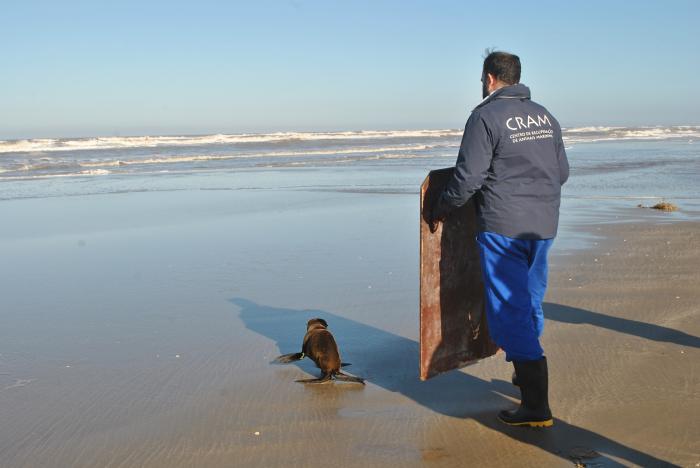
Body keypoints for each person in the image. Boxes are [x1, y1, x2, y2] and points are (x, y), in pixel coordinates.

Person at [428, 50, 569, 427]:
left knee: (509, 309)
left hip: (504, 227)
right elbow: (562, 172)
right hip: (543, 226)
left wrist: (441, 205)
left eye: (481, 79)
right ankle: (525, 377)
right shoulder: (545, 116)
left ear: (489, 79)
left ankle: (536, 406)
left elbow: (468, 178)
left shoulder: (485, 116)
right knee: (530, 300)